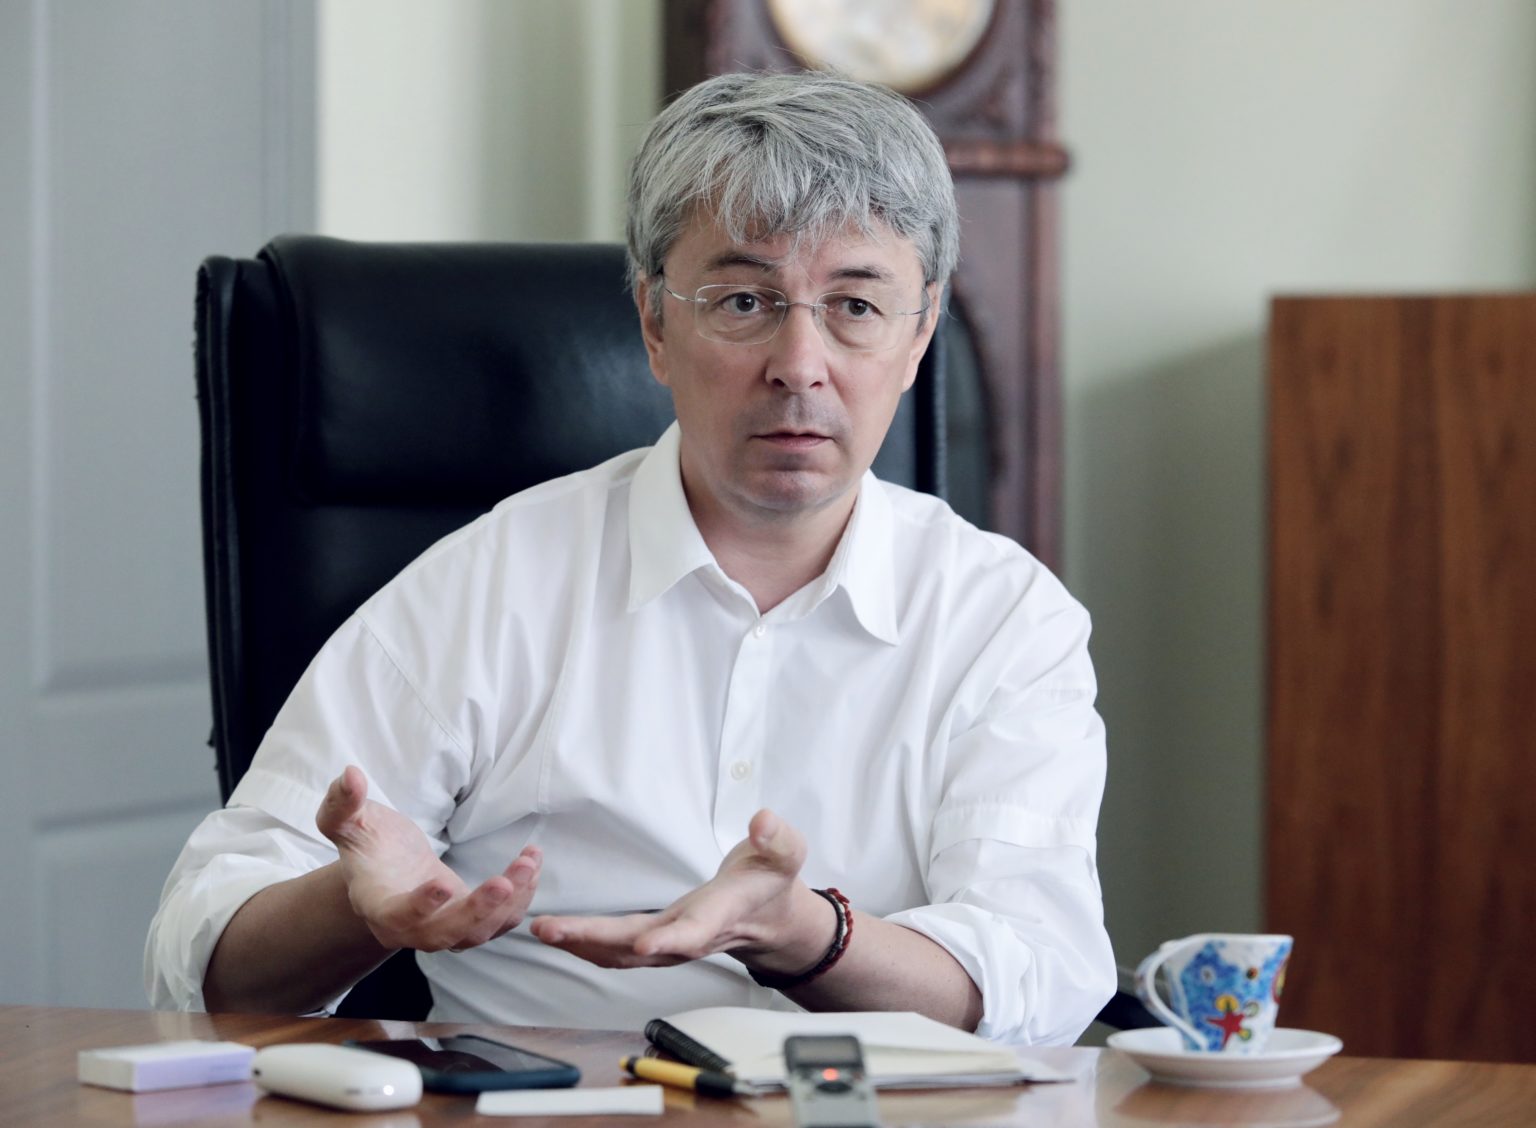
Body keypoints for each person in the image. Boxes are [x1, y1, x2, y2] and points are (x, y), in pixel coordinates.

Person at [145, 69, 1115, 1046]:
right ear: (655, 323)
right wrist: (355, 909)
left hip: (865, 1108)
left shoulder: (1002, 617)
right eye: (744, 300)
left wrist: (801, 933)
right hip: (547, 1104)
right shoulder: (488, 586)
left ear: (920, 334)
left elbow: (1041, 978)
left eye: (856, 306)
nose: (799, 365)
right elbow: (198, 957)